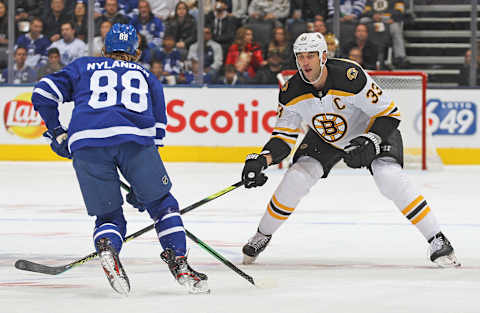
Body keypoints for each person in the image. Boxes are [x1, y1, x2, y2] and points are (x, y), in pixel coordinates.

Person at [239, 32, 460, 268]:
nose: (305, 62)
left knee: (389, 178)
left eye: (311, 56)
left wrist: (371, 140)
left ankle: (437, 239)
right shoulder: (290, 90)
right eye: (300, 56)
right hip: (325, 137)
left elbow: (389, 114)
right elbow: (283, 138)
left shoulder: (350, 75)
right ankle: (262, 234)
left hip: (372, 129)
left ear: (323, 56)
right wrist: (262, 160)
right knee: (295, 178)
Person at [31, 23, 209, 295]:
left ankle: (108, 247)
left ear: (104, 48)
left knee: (108, 215)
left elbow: (43, 92)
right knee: (162, 204)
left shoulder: (83, 67)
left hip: (87, 143)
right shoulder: (148, 76)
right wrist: (144, 189)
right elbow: (156, 134)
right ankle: (179, 262)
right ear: (136, 51)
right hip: (135, 143)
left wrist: (57, 132)